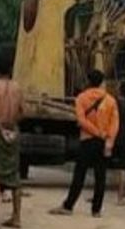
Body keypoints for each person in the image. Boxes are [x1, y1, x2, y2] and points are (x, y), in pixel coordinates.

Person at [50, 69, 119, 218]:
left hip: (87, 141)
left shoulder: (81, 98)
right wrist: (109, 141)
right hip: (103, 142)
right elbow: (115, 124)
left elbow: (81, 121)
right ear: (101, 83)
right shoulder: (110, 100)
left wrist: (95, 132)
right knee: (100, 176)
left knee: (79, 174)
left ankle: (68, 206)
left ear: (88, 81)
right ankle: (96, 210)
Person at [0, 52, 24, 229]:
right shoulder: (17, 87)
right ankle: (16, 217)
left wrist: (1, 130)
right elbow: (23, 110)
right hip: (13, 130)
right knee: (14, 176)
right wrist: (12, 127)